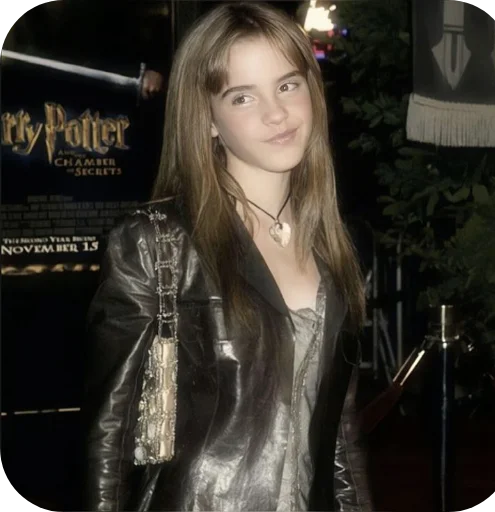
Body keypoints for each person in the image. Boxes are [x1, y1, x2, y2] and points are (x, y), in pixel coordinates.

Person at [83, 2, 373, 511]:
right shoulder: (156, 244)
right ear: (209, 119)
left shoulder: (333, 244)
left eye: (288, 85)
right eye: (243, 97)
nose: (276, 113)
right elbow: (109, 439)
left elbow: (339, 440)